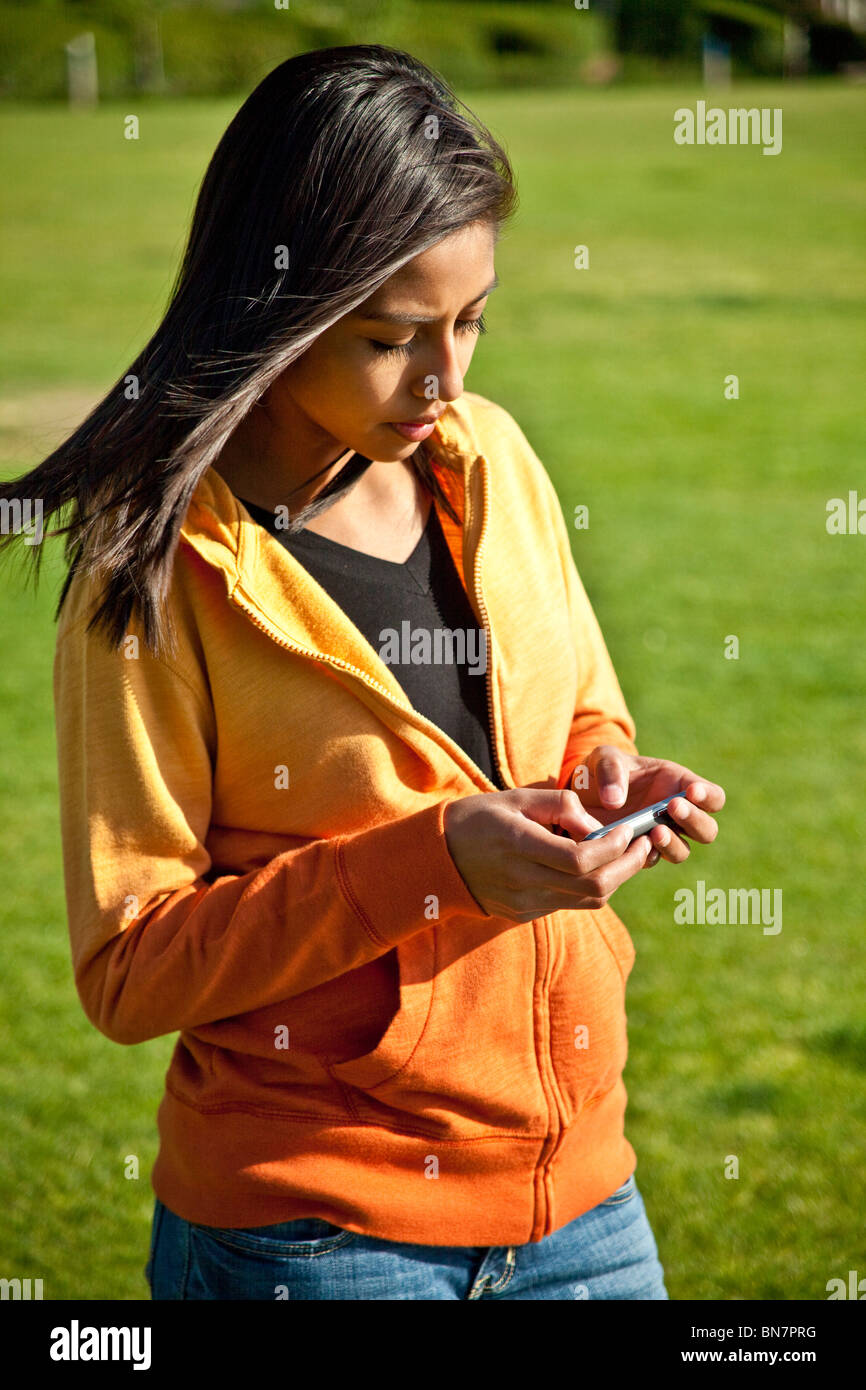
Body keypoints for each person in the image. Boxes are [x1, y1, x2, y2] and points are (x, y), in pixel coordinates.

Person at [5, 44, 724, 1300]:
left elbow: (582, 706)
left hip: (585, 1203)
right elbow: (131, 968)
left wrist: (602, 777)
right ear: (276, 307)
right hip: (316, 1237)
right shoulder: (154, 568)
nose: (447, 381)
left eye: (472, 321)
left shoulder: (491, 458)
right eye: (396, 337)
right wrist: (433, 861)